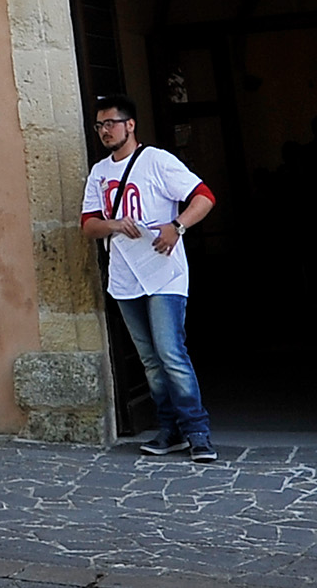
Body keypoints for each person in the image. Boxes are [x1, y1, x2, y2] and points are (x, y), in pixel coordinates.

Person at [79, 96, 217, 459]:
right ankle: (169, 430)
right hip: (125, 277)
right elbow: (89, 225)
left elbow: (203, 197)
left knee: (171, 353)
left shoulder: (157, 161)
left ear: (130, 124)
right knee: (150, 360)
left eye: (111, 123)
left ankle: (197, 431)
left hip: (164, 274)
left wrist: (177, 226)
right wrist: (112, 224)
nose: (105, 131)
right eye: (100, 125)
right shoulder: (99, 173)